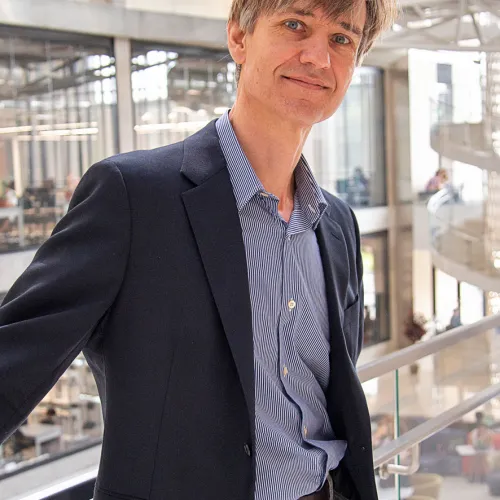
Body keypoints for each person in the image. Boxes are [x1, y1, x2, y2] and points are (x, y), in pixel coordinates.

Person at [0, 1, 397, 499]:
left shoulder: (336, 223)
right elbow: (12, 362)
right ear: (239, 38)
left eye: (342, 39)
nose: (318, 58)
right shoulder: (134, 197)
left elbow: (333, 391)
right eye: (295, 25)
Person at [468, 412, 492, 483]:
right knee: (476, 459)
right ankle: (475, 477)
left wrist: (483, 437)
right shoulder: (474, 433)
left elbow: (488, 445)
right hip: (477, 451)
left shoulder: (488, 433)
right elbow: (473, 444)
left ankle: (484, 477)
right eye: (480, 427)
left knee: (482, 458)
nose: (482, 429)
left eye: (483, 427)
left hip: (487, 451)